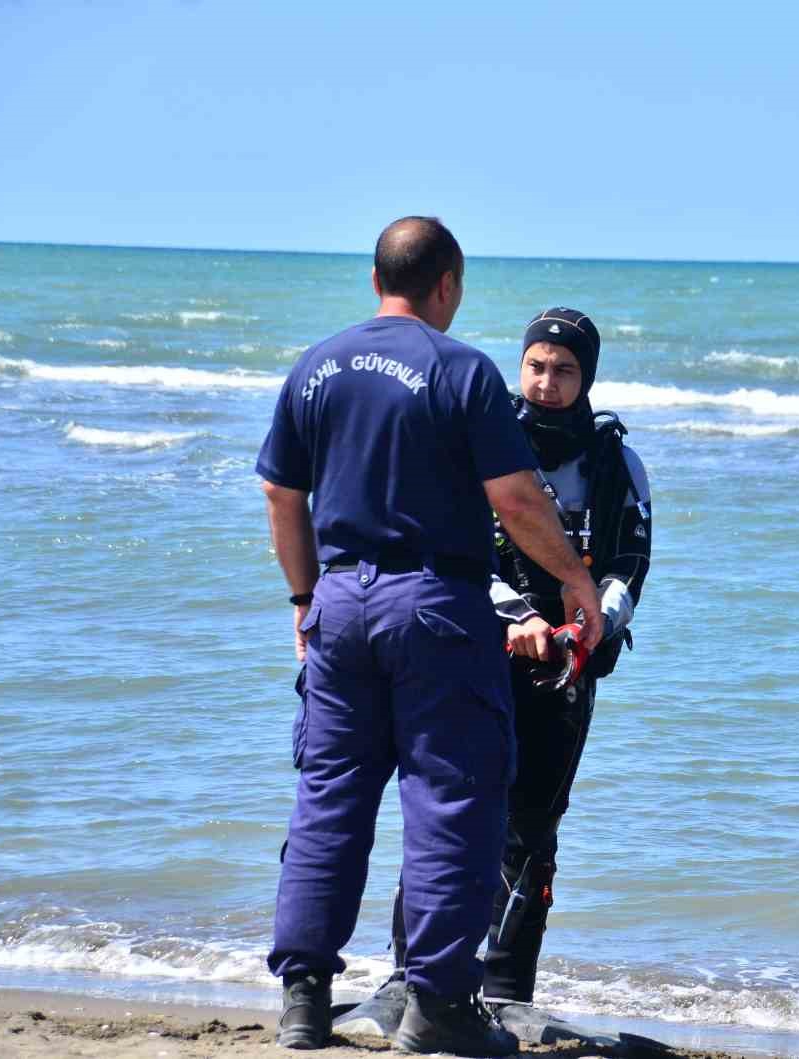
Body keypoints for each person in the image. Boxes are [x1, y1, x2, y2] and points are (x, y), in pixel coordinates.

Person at [256, 217, 603, 1055]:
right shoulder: (461, 371)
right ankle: (439, 1005)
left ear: (379, 277)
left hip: (339, 603)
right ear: (446, 282)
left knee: (329, 800)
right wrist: (575, 578)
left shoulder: (315, 366)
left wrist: (306, 598)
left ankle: (305, 998)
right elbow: (517, 500)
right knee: (453, 800)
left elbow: (280, 495)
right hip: (435, 606)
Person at [377, 306, 652, 1043]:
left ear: (586, 375)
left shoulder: (615, 461)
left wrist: (598, 622)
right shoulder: (483, 443)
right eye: (536, 365)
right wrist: (514, 617)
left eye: (564, 369)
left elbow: (630, 561)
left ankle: (506, 989)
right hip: (477, 652)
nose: (548, 381)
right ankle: (412, 974)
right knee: (454, 809)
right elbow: (454, 546)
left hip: (571, 666)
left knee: (534, 827)